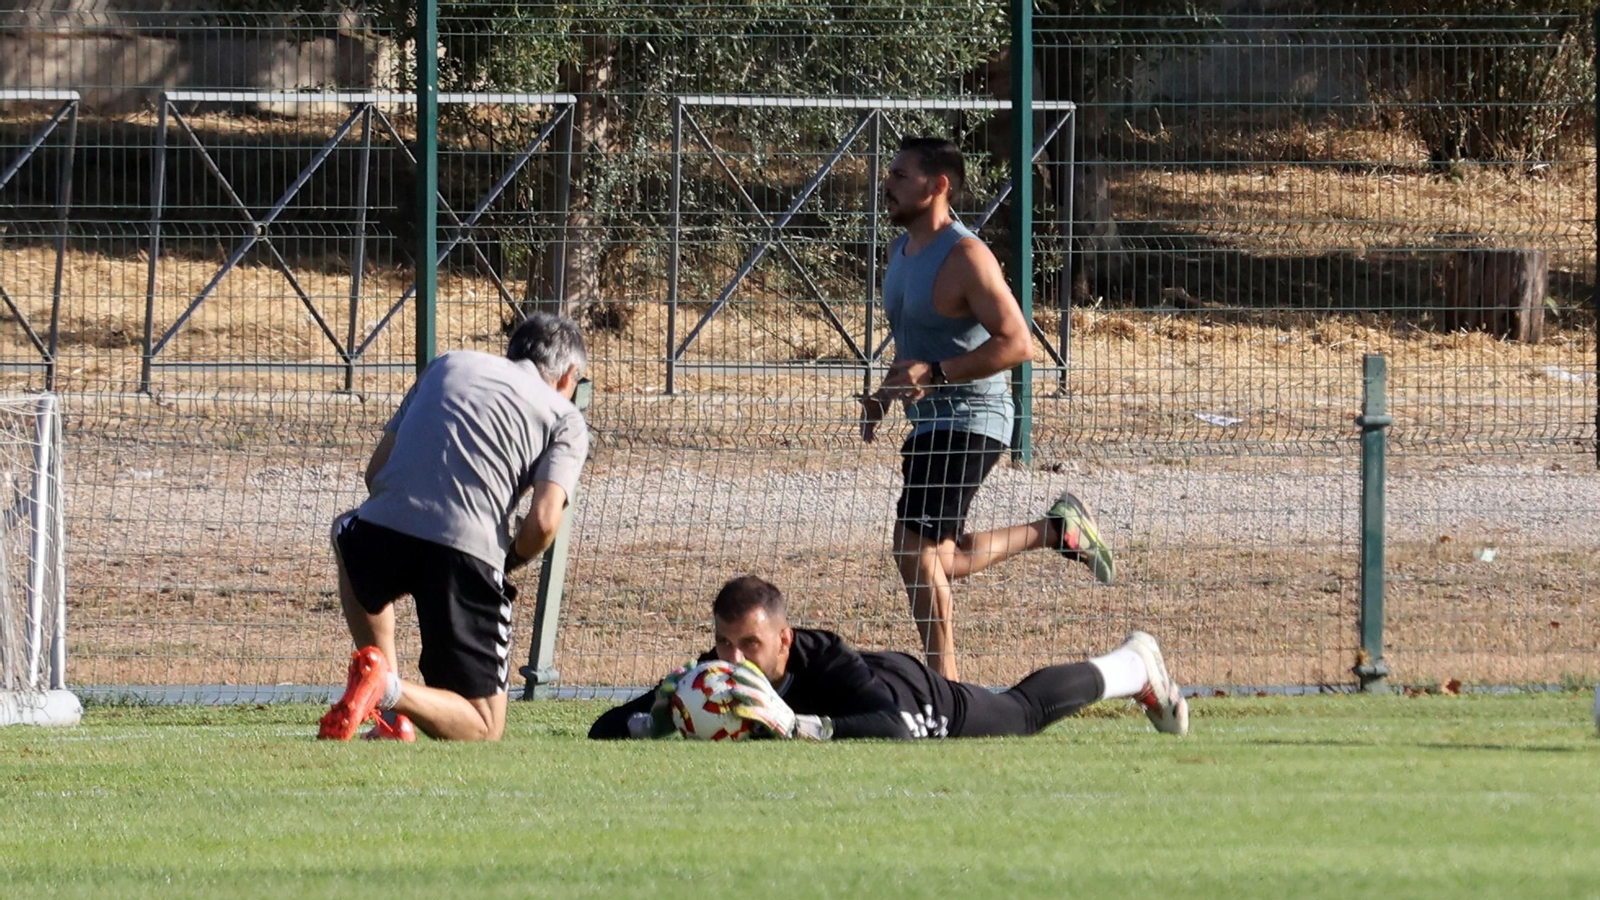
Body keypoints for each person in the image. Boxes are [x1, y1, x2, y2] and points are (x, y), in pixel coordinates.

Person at [861, 136, 1116, 682]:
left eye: (901, 176)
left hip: (973, 418)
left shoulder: (967, 256)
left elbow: (1018, 343)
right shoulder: (900, 252)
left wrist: (938, 374)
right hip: (932, 421)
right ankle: (1056, 530)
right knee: (942, 558)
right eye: (891, 175)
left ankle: (945, 686)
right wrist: (886, 392)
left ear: (938, 186)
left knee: (915, 551)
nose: (888, 185)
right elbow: (917, 345)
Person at [317, 313, 590, 742]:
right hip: (468, 552)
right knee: (484, 727)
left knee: (346, 529)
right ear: (569, 376)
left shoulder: (448, 364)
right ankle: (387, 690)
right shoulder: (565, 416)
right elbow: (543, 522)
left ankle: (389, 714)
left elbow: (376, 474)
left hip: (381, 530)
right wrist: (510, 558)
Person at [588, 575, 1186, 742]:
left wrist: (797, 725)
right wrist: (654, 719)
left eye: (751, 645)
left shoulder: (828, 664)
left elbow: (891, 729)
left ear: (784, 640)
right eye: (725, 643)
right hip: (869, 694)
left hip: (909, 695)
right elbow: (600, 727)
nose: (735, 658)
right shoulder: (714, 675)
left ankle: (1132, 665)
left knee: (1020, 713)